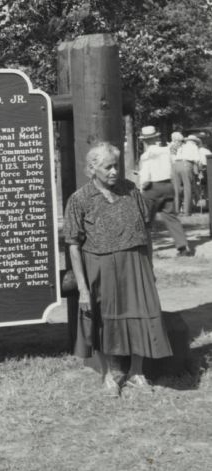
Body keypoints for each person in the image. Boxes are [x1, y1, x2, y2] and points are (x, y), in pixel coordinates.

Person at [64, 141, 172, 396]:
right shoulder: (79, 199)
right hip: (100, 268)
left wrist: (150, 265)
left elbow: (146, 230)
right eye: (108, 167)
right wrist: (82, 289)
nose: (114, 172)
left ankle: (137, 372)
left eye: (116, 166)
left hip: (135, 264)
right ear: (92, 169)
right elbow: (73, 246)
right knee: (100, 319)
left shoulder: (131, 191)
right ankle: (109, 374)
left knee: (140, 314)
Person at [138, 126, 192, 256]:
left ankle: (144, 248)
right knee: (171, 217)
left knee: (145, 219)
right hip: (167, 185)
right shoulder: (166, 151)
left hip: (152, 187)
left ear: (144, 141)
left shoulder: (146, 155)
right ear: (156, 137)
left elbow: (145, 175)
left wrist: (142, 187)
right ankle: (182, 247)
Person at [173, 134, 201, 215]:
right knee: (187, 188)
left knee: (177, 189)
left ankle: (176, 210)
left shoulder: (182, 146)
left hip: (176, 165)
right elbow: (197, 160)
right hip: (186, 165)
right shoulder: (194, 147)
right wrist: (199, 170)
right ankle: (187, 211)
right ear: (194, 142)